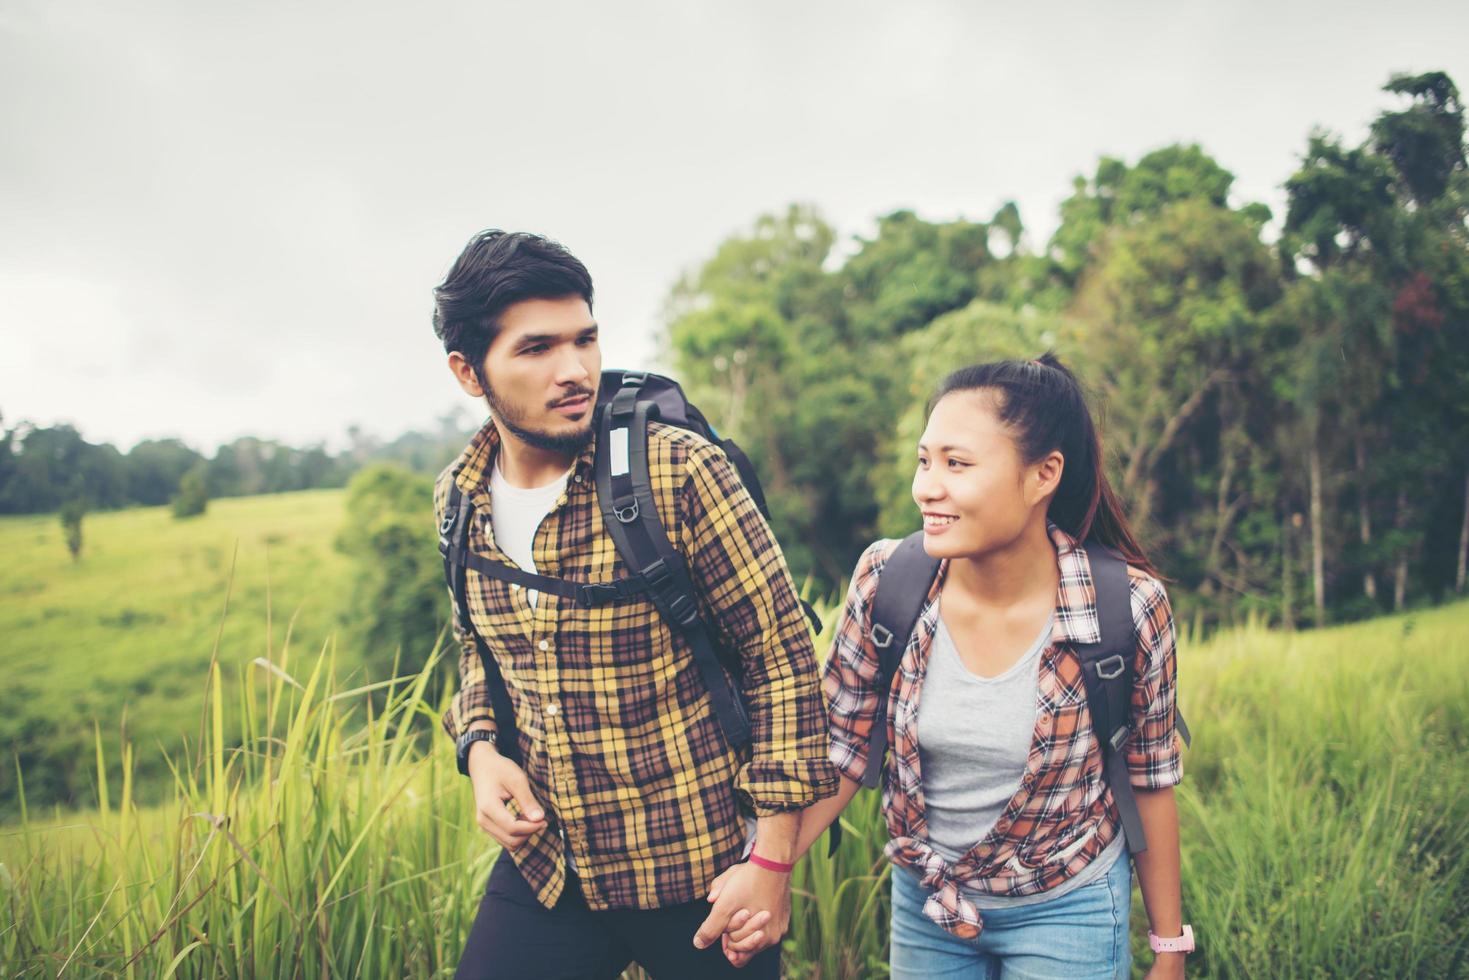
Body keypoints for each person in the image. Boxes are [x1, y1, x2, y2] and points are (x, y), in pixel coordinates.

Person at [431, 229, 838, 979]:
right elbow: (478, 650)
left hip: (701, 871)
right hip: (551, 868)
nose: (574, 369)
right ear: (468, 372)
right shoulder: (459, 499)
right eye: (536, 349)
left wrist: (771, 864)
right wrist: (481, 750)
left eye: (584, 340)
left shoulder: (677, 472)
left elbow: (779, 658)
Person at [714, 354, 1192, 978]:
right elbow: (843, 752)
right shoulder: (888, 580)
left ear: (1043, 474)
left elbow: (1150, 779)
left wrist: (1168, 950)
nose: (926, 487)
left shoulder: (1126, 608)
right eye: (924, 460)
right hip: (927, 902)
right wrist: (767, 869)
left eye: (957, 463)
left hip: (1065, 903)